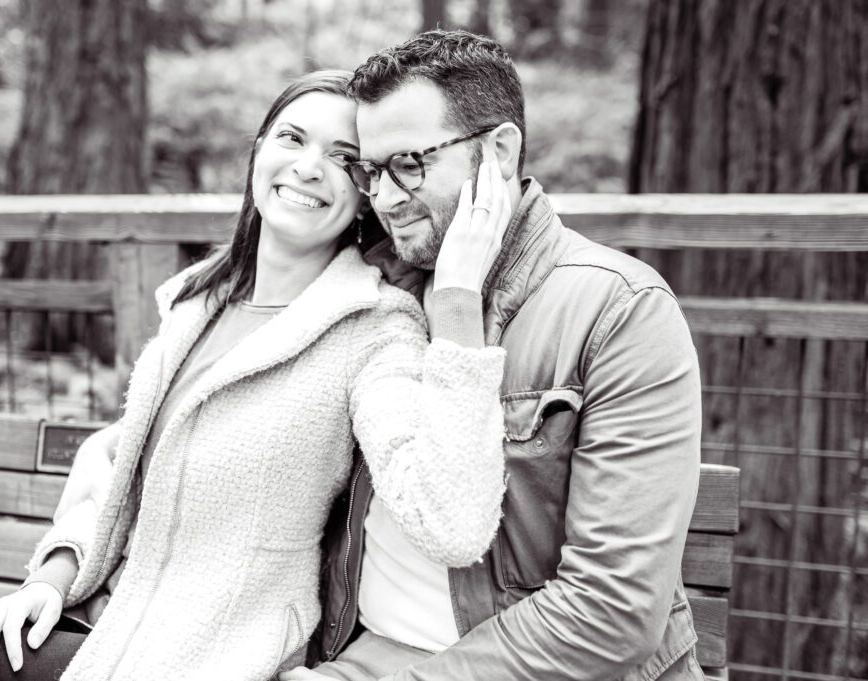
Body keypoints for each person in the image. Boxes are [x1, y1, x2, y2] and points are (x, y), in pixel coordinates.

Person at [0, 69, 512, 681]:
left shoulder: (373, 329)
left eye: (343, 159)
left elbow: (451, 522)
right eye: (292, 137)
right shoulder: (197, 301)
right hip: (90, 622)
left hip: (196, 657)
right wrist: (48, 580)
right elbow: (117, 461)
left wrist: (456, 310)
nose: (310, 168)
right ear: (258, 150)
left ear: (365, 194)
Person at [286, 31, 704, 681]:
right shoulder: (371, 291)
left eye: (410, 164)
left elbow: (611, 611)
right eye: (371, 170)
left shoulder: (618, 309)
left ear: (499, 152)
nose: (386, 197)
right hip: (363, 653)